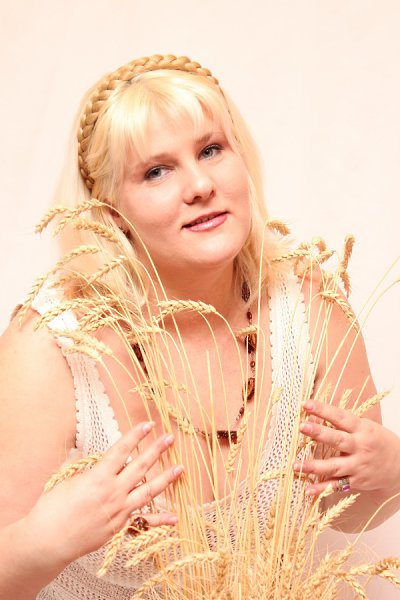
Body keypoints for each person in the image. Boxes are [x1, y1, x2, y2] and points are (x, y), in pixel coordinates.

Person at [0, 54, 399, 600]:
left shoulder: (312, 303)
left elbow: (346, 512)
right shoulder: (53, 342)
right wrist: (44, 542)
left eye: (211, 150)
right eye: (156, 171)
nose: (200, 184)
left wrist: (392, 473)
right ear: (112, 214)